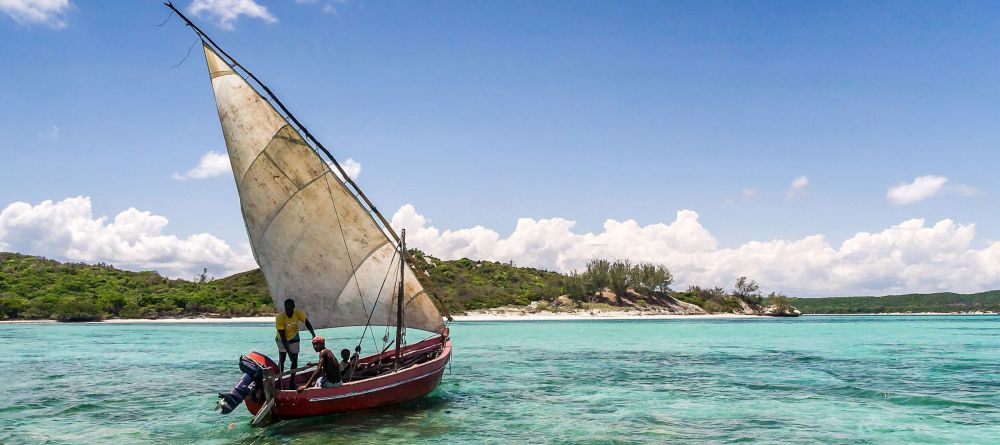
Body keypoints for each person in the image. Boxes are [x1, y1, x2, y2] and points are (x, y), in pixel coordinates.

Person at [275, 298, 315, 382]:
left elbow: (307, 323)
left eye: (290, 309)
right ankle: (279, 380)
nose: (288, 311)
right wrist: (289, 352)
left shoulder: (298, 313)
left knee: (294, 359)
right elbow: (283, 337)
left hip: (294, 336)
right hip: (281, 338)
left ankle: (292, 381)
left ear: (294, 307)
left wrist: (313, 334)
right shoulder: (280, 318)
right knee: (282, 359)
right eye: (286, 309)